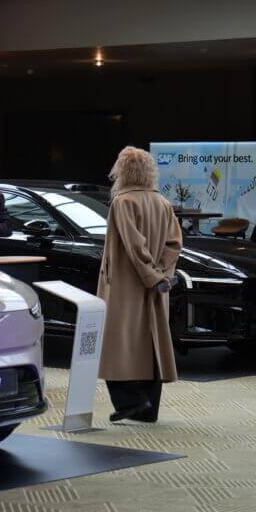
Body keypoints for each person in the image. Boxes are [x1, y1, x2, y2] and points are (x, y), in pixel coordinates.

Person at [97, 147, 182, 423]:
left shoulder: (122, 202)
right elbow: (174, 244)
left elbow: (135, 247)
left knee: (114, 345)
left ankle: (130, 402)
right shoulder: (162, 202)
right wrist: (162, 275)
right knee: (151, 344)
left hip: (125, 285)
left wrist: (152, 277)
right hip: (156, 286)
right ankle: (148, 410)